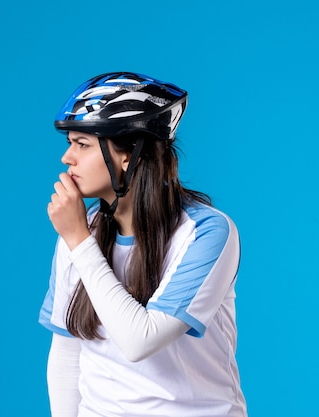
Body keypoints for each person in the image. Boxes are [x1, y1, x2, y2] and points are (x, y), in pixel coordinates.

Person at [39, 72, 247, 417]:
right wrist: (78, 237)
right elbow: (67, 351)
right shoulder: (82, 229)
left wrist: (78, 239)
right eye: (69, 143)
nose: (67, 158)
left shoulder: (206, 232)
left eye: (83, 145)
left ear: (128, 154)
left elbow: (141, 341)